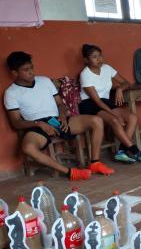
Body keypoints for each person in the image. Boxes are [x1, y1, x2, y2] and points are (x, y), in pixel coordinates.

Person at [4, 51, 114, 181]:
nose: (31, 72)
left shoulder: (44, 81)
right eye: (26, 70)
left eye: (31, 68)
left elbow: (60, 104)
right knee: (28, 148)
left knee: (96, 120)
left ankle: (95, 163)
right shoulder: (11, 93)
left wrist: (62, 115)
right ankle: (70, 172)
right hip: (36, 126)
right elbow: (16, 122)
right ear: (14, 73)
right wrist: (39, 124)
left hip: (58, 120)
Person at [79, 44, 141, 164]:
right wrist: (115, 116)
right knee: (115, 121)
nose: (99, 59)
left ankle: (121, 152)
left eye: (100, 56)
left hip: (105, 102)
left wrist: (120, 88)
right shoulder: (85, 74)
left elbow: (126, 82)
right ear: (86, 60)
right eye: (94, 57)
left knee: (132, 117)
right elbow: (96, 101)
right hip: (90, 105)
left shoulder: (107, 68)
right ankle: (136, 151)